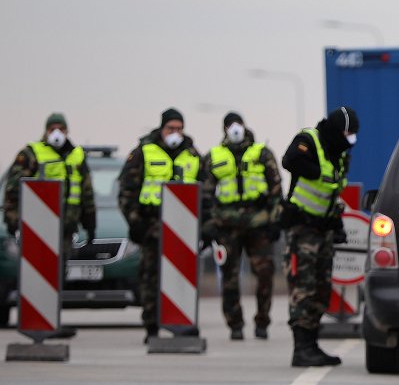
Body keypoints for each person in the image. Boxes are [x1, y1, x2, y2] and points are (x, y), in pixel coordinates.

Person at [280, 106, 358, 367]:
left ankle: (312, 345)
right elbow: (289, 160)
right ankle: (301, 348)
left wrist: (337, 225)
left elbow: (333, 194)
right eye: (348, 134)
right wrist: (314, 171)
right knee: (304, 288)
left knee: (322, 290)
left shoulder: (340, 155)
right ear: (337, 131)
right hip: (302, 229)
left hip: (323, 230)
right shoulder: (309, 141)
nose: (351, 140)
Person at [118, 108, 203, 341]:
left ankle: (183, 322)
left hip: (184, 229)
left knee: (183, 276)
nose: (175, 133)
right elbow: (127, 190)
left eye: (179, 129)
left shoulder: (193, 155)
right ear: (162, 128)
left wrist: (206, 225)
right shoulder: (144, 152)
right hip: (152, 225)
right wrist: (135, 222)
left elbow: (205, 193)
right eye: (170, 129)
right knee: (150, 277)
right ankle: (152, 326)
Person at [202, 112, 283, 340]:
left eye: (237, 124)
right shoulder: (213, 156)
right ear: (225, 129)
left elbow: (276, 188)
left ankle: (262, 322)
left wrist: (276, 220)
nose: (234, 129)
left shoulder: (262, 153)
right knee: (229, 276)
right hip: (227, 225)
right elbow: (205, 195)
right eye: (230, 125)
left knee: (265, 272)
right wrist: (209, 225)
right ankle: (235, 324)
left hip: (258, 222)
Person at [3, 113, 97, 257]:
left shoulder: (77, 155)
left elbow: (86, 192)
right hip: (38, 226)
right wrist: (13, 221)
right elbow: (13, 189)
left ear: (67, 131)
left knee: (60, 272)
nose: (56, 133)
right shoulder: (32, 153)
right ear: (46, 131)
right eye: (52, 129)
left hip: (67, 226)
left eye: (61, 128)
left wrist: (90, 224)